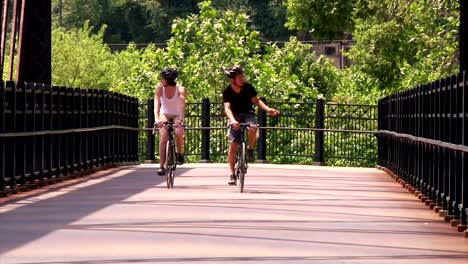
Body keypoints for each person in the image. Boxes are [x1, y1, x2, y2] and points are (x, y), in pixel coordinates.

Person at [222, 66, 280, 185]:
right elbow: (227, 108)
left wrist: (268, 109)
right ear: (233, 79)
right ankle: (232, 174)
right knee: (233, 144)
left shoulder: (248, 87)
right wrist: (232, 120)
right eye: (239, 77)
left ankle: (250, 149)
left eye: (243, 76)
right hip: (235, 116)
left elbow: (256, 100)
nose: (242, 79)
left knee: (253, 127)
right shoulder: (227, 91)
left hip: (248, 113)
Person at [154, 68, 186, 176]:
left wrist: (180, 119)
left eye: (162, 79)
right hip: (165, 114)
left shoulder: (180, 89)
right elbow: (156, 105)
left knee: (178, 132)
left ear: (168, 80)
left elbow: (182, 105)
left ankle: (180, 153)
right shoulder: (159, 89)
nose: (161, 81)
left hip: (177, 114)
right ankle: (161, 166)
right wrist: (157, 119)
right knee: (163, 137)